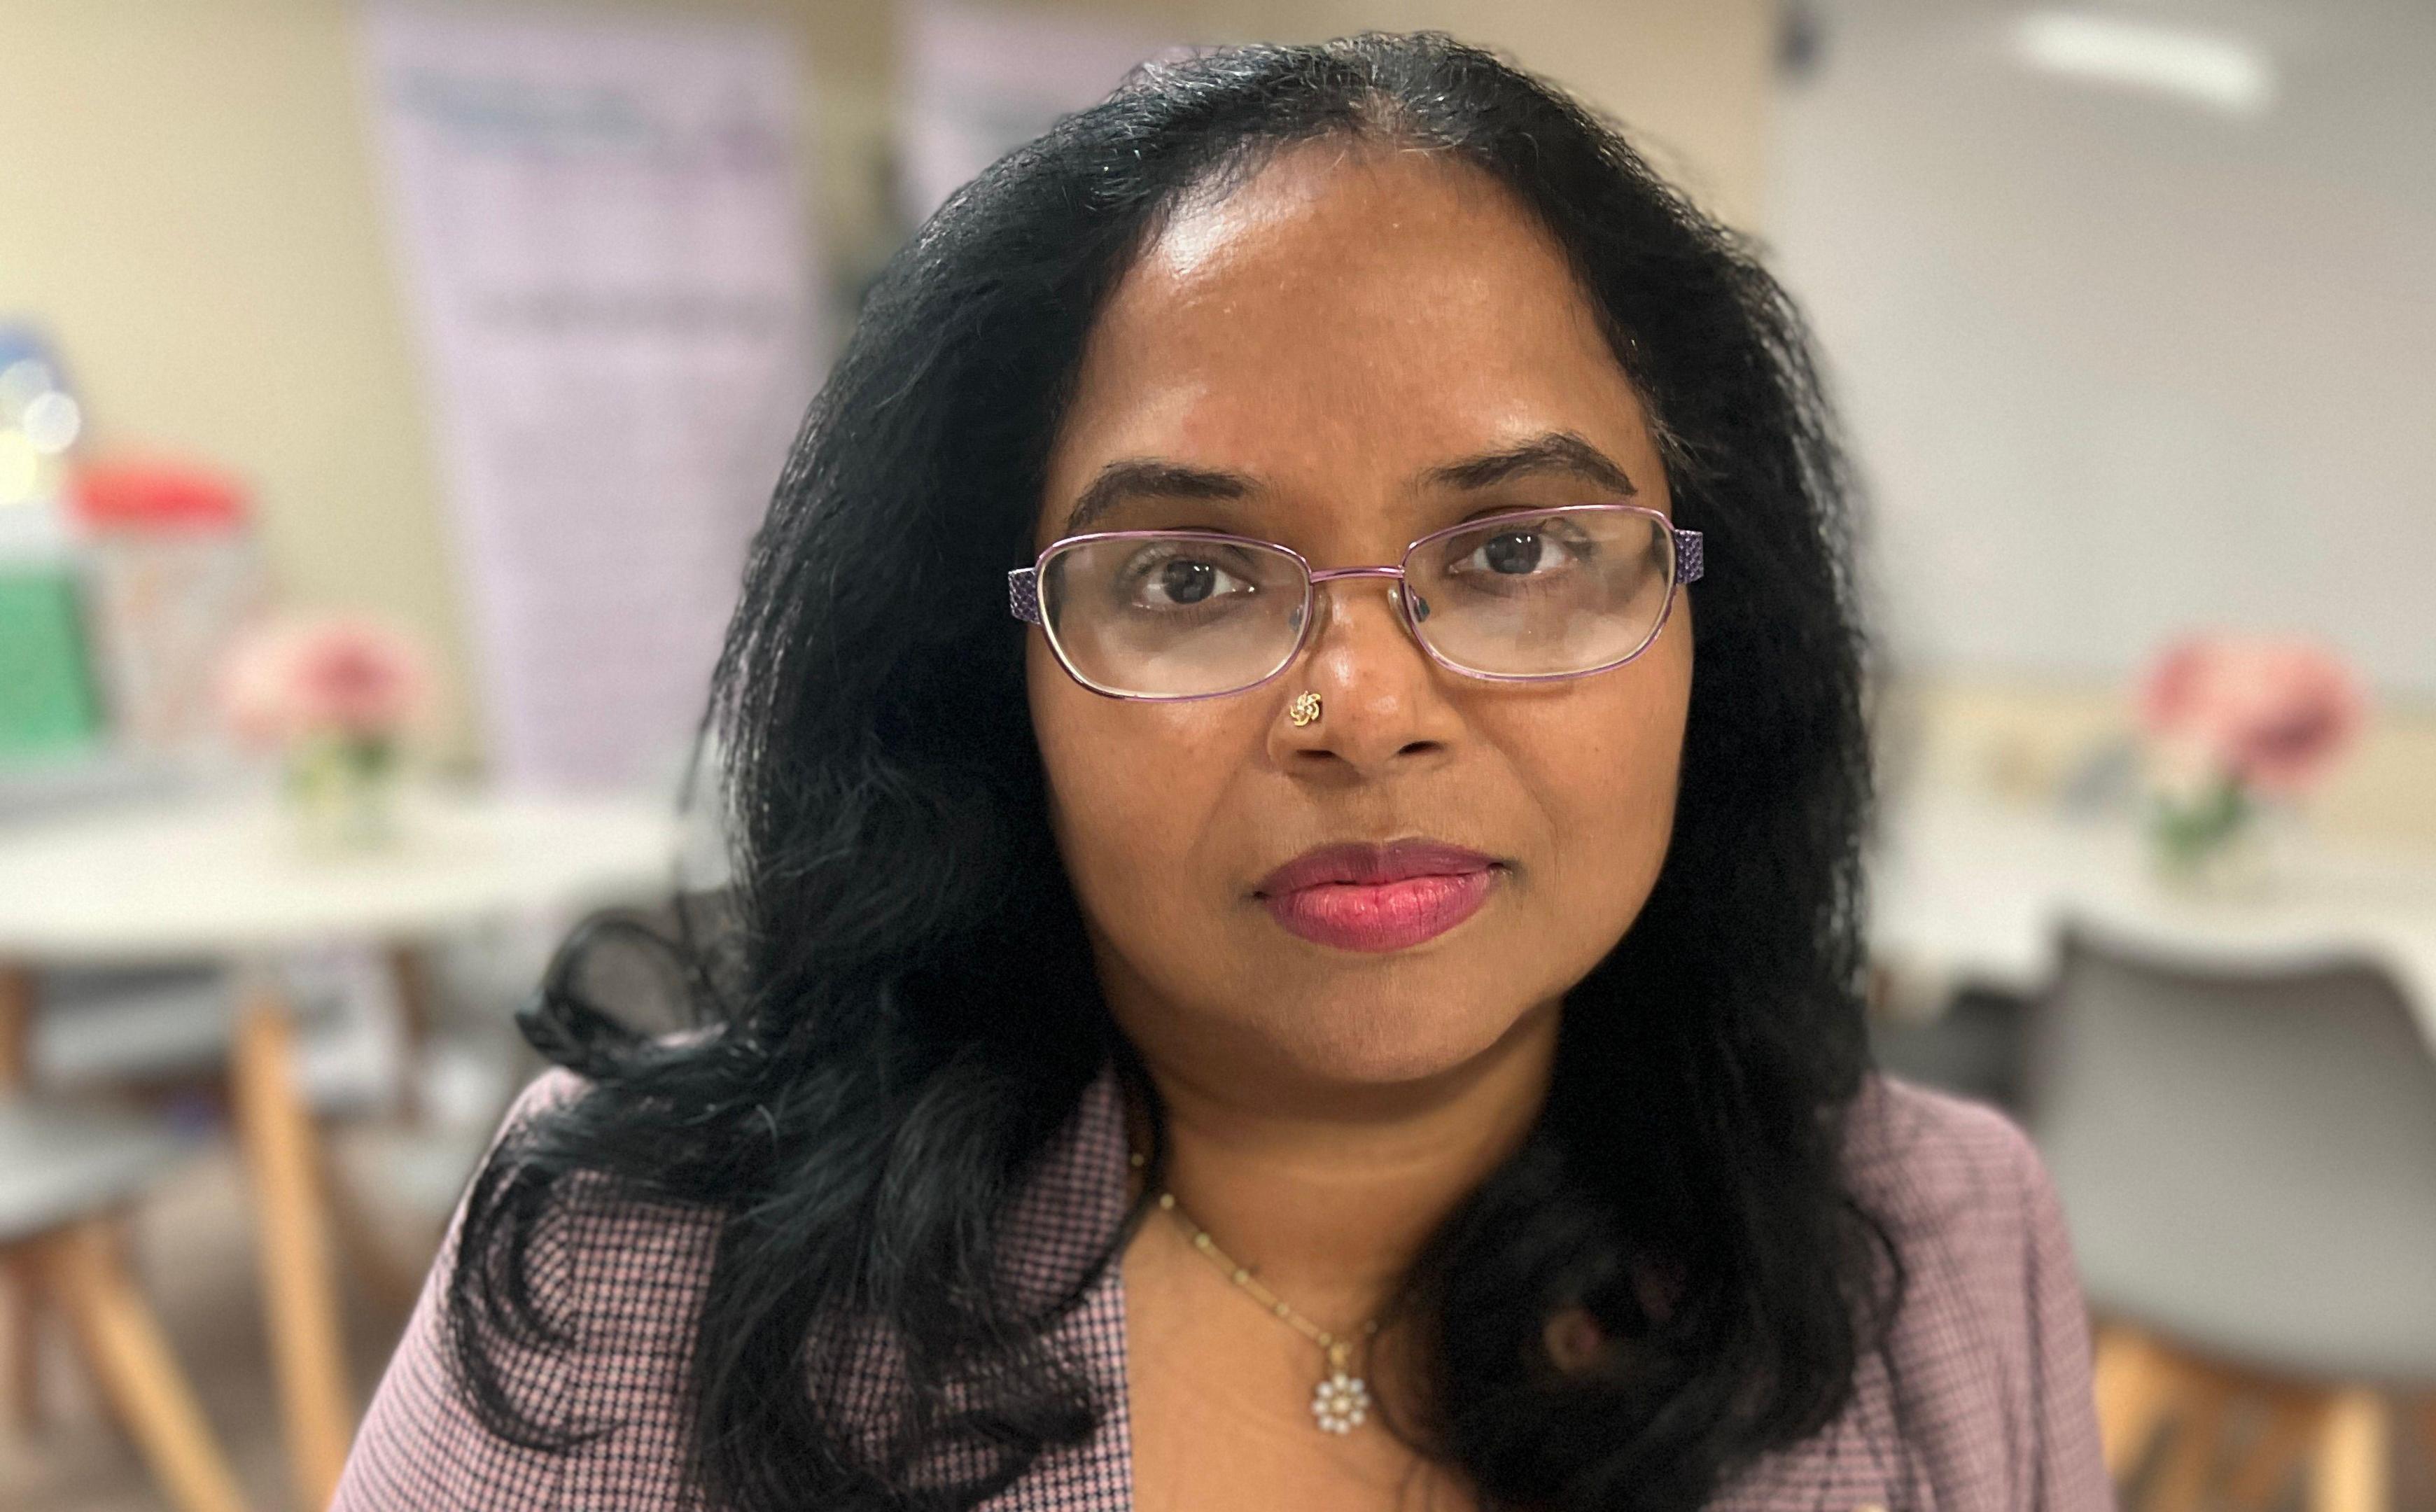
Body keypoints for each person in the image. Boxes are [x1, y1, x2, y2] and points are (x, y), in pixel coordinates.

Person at [335, 33, 2106, 1512]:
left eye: (1510, 554)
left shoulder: (1935, 1233)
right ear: (991, 671)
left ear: (1714, 613)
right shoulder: (642, 1264)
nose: (1366, 708)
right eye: (1188, 579)